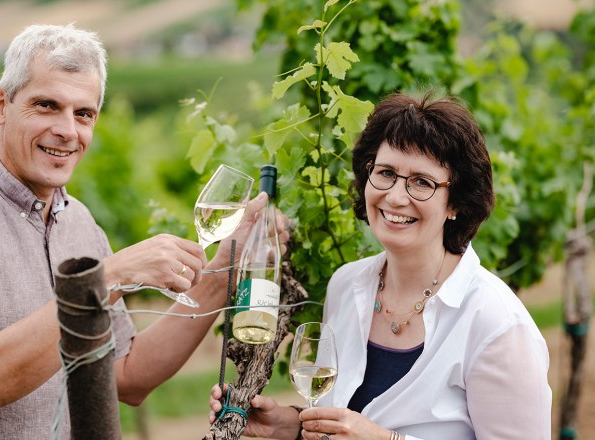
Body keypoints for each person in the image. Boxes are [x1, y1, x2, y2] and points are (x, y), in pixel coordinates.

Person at [0, 23, 288, 439]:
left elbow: (126, 375)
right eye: (46, 105)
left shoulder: (80, 224)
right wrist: (109, 277)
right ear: (1, 105)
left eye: (83, 114)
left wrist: (226, 267)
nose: (67, 130)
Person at [210, 92, 551, 439]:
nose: (396, 196)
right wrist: (289, 425)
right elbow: (350, 421)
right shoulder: (346, 286)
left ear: (456, 204)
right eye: (385, 172)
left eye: (422, 182)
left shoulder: (497, 324)